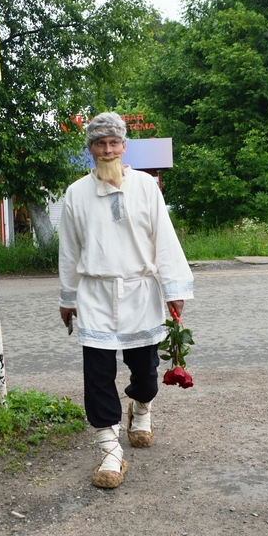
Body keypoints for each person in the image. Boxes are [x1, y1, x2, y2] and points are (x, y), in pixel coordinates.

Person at [58, 112, 194, 489]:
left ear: (124, 146)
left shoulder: (146, 187)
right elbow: (69, 251)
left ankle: (142, 406)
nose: (107, 150)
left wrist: (175, 290)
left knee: (146, 373)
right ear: (90, 149)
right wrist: (68, 297)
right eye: (100, 144)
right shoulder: (76, 194)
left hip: (140, 292)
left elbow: (164, 240)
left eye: (113, 143)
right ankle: (109, 449)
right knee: (97, 375)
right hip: (95, 294)